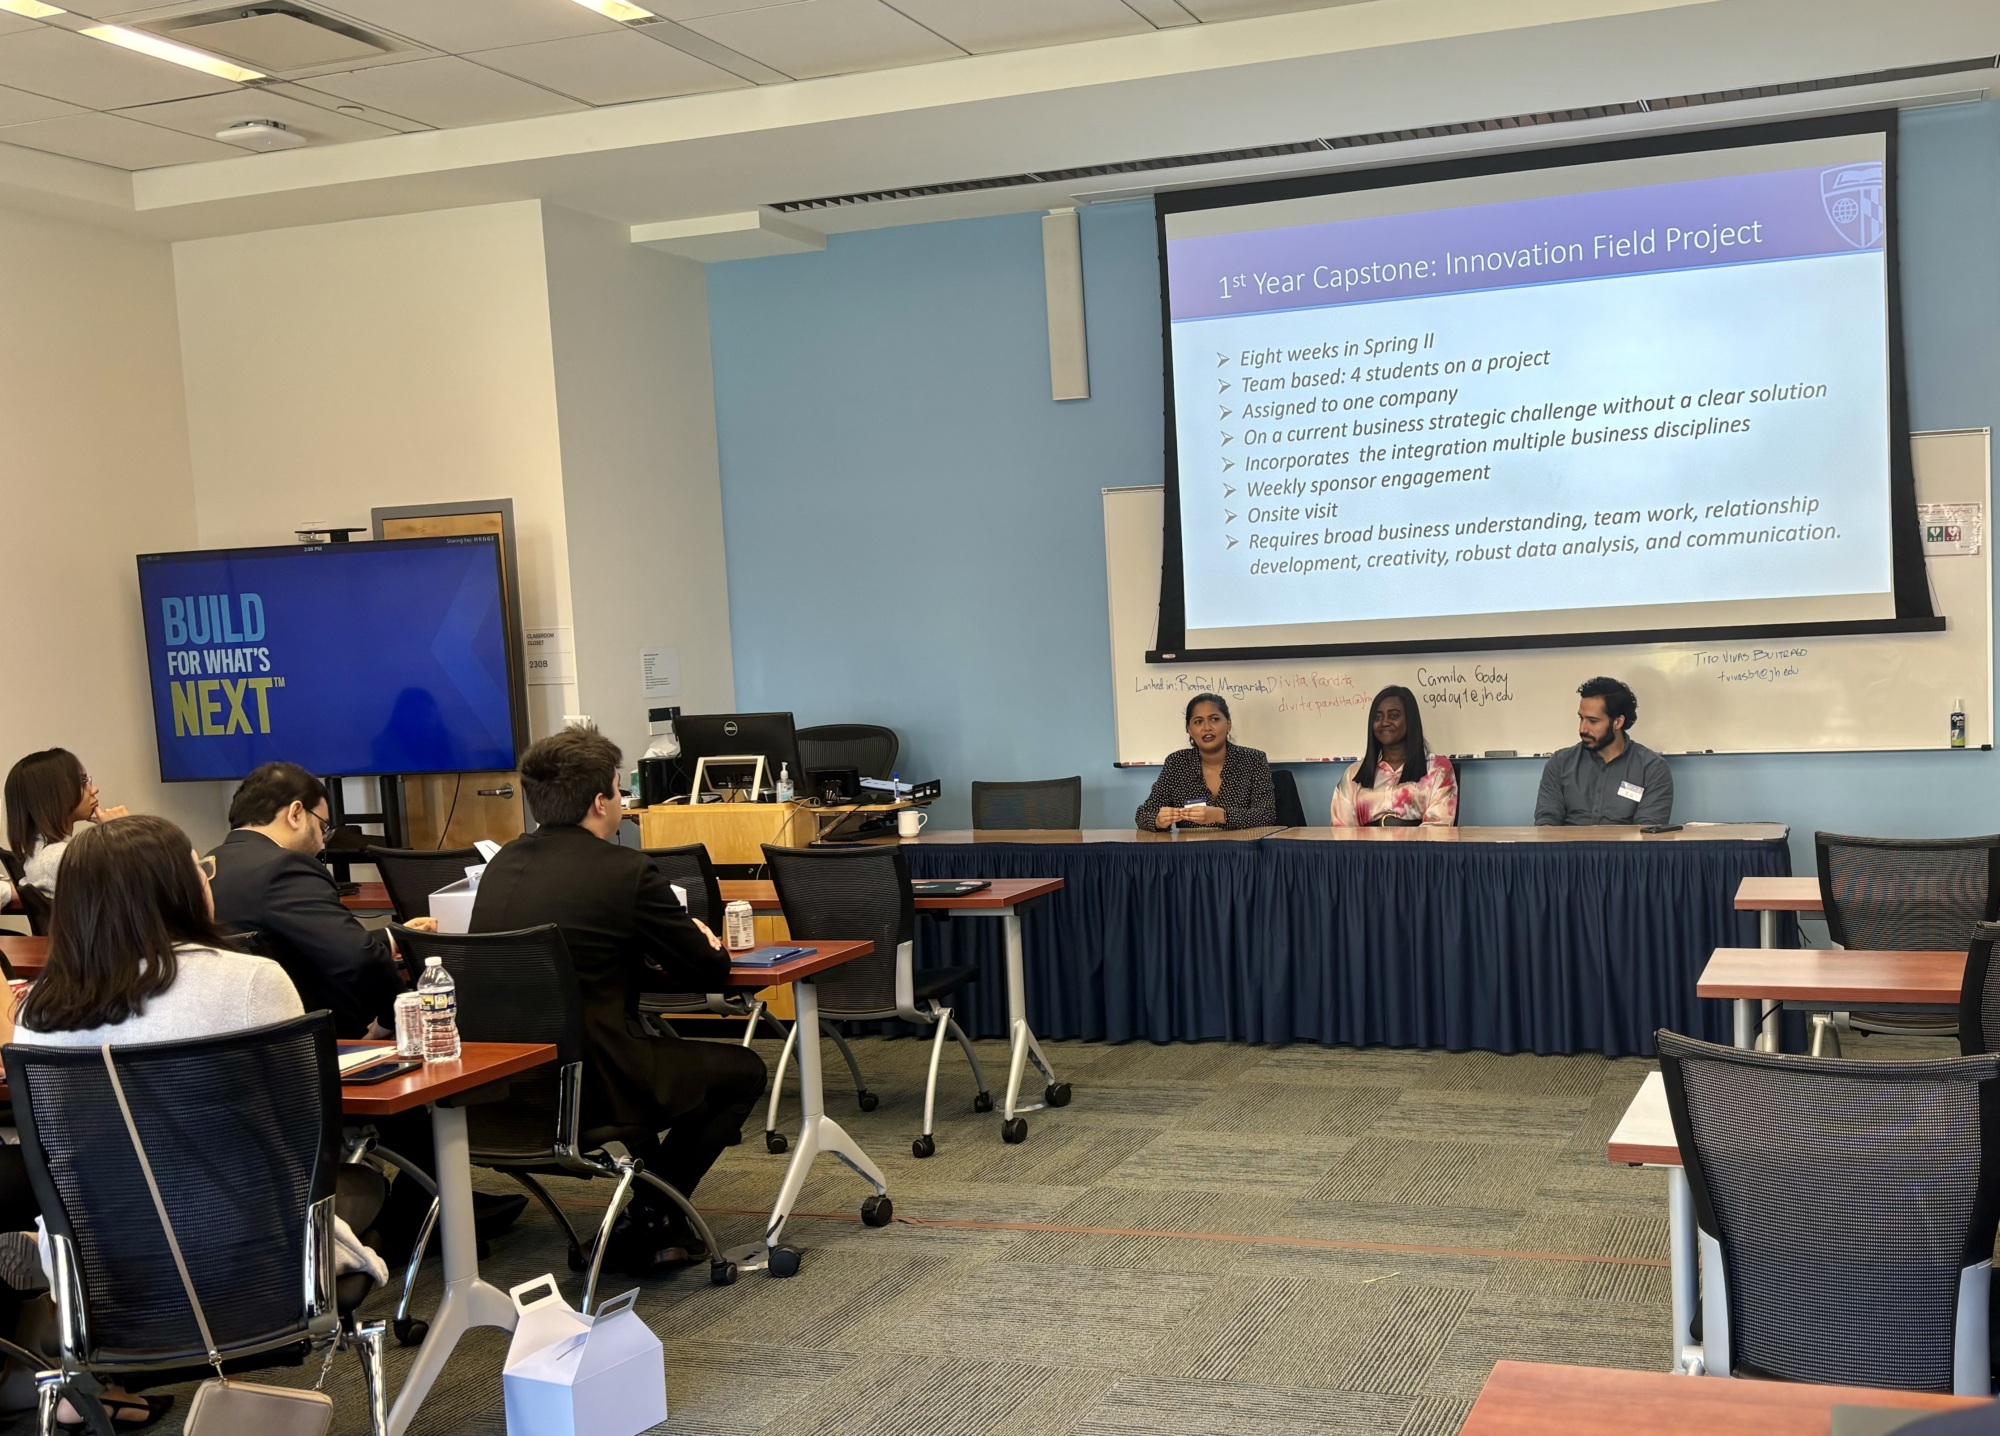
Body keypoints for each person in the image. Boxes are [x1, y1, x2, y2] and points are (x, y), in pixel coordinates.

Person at [10, 816, 386, 1430]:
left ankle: (45, 1261)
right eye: (199, 868)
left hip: (108, 1281)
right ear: (178, 889)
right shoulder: (250, 982)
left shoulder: (40, 1013)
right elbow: (301, 1134)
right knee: (364, 1182)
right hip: (257, 1271)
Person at [470, 727, 768, 1272]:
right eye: (618, 790)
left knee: (677, 1064)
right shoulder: (624, 871)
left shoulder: (501, 866)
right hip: (593, 1085)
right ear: (601, 801)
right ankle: (652, 1212)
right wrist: (698, 939)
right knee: (743, 1070)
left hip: (501, 1088)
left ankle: (655, 1213)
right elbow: (710, 971)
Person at [206, 762, 418, 1039]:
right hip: (321, 1041)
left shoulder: (202, 869)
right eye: (323, 827)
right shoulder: (285, 867)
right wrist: (393, 1019)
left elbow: (283, 946)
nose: (322, 842)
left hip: (242, 1044)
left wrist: (392, 937)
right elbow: (357, 958)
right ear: (296, 813)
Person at [1534, 676, 1674, 826]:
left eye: (1593, 721)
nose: (1582, 729)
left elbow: (1648, 832)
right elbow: (1546, 821)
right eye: (1581, 718)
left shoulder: (1652, 769)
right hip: (1567, 848)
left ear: (1618, 722)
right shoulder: (1560, 763)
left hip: (1625, 849)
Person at [1135, 693, 1278, 830]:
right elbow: (1143, 814)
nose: (1207, 727)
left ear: (1228, 724)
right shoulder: (1177, 763)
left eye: (1214, 719)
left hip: (1243, 851)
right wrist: (1158, 821)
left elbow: (1266, 816)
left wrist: (1221, 815)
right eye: (1198, 722)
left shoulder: (1253, 760)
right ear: (1189, 730)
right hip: (1193, 852)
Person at [3, 749, 127, 897]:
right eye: (82, 783)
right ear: (54, 796)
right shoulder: (60, 859)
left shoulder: (42, 854)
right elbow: (141, 893)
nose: (94, 789)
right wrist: (125, 831)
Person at [1330, 685, 1457, 827]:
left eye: (1393, 716)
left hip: (1418, 848)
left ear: (1410, 720)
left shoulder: (1438, 769)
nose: (1384, 722)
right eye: (1378, 717)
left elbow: (1439, 828)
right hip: (1365, 849)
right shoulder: (1353, 774)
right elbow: (1341, 831)